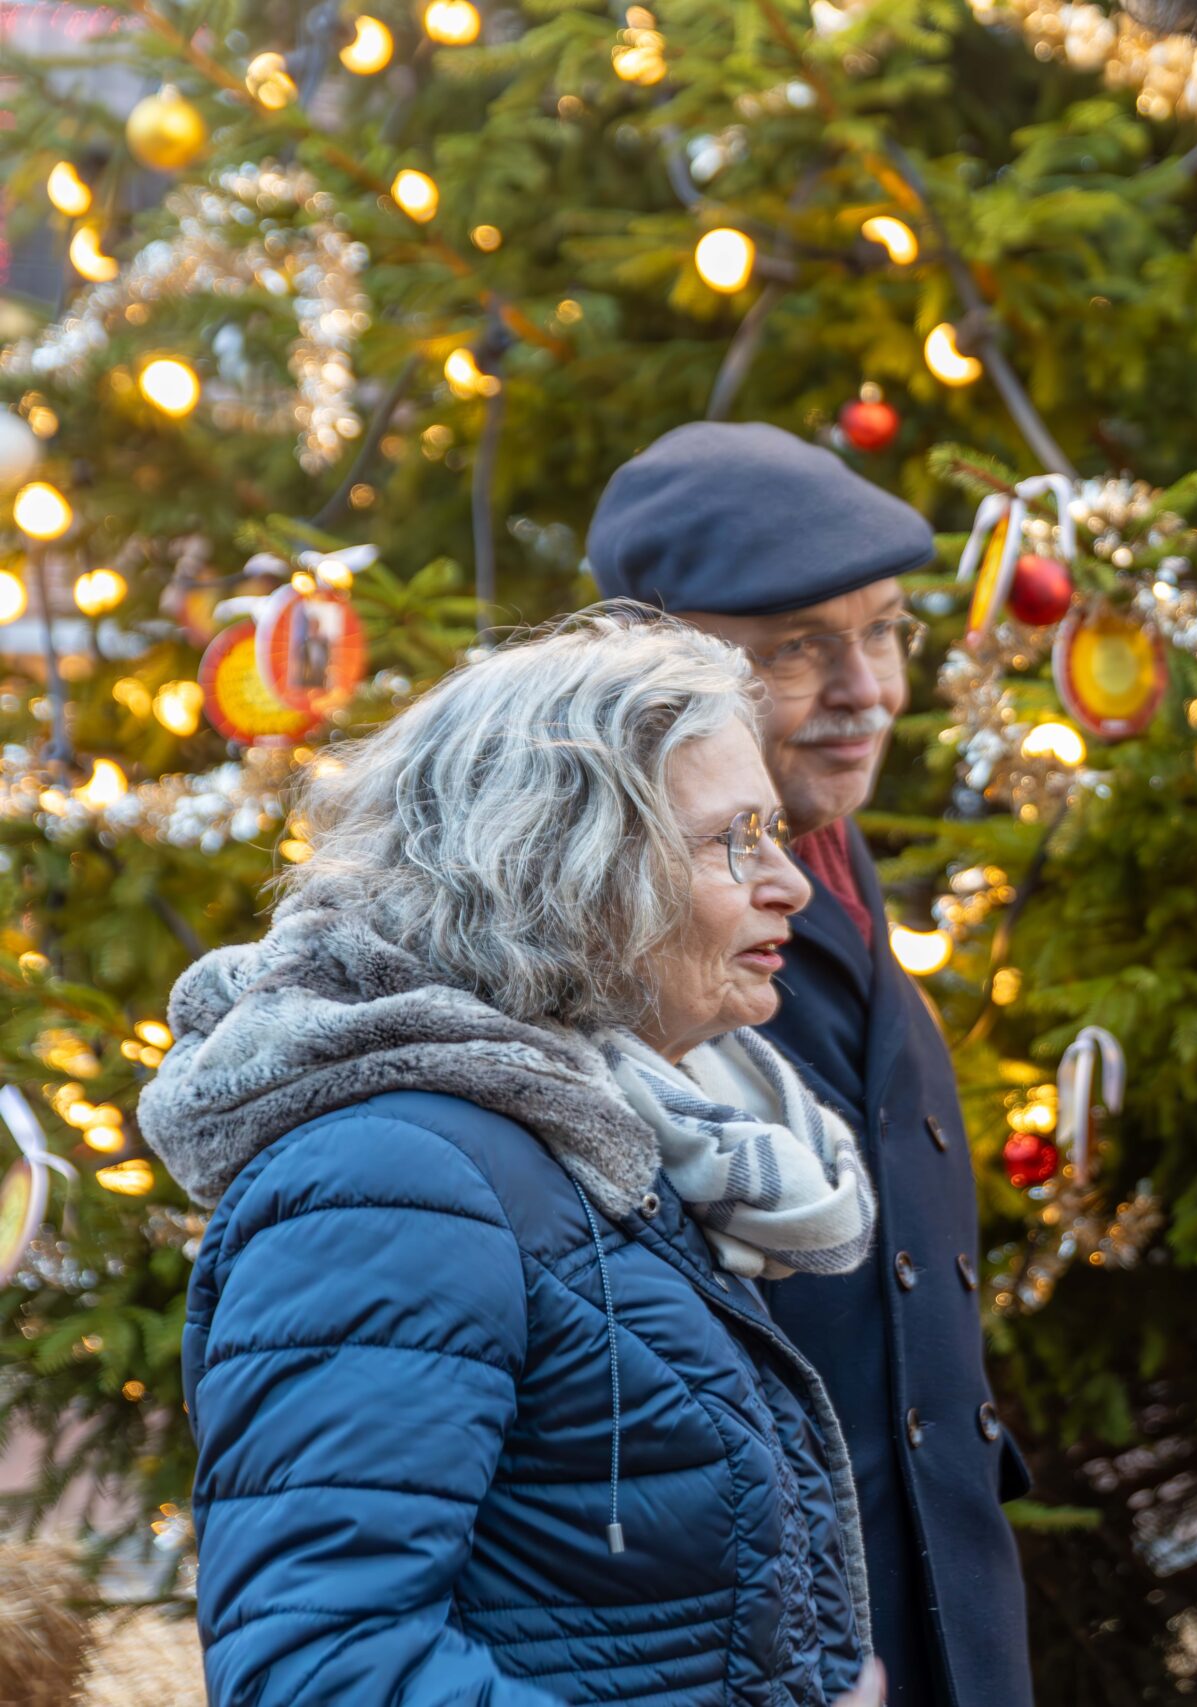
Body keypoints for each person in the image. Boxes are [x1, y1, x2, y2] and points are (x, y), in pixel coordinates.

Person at [140, 611, 889, 1707]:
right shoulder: (394, 1180)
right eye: (734, 840)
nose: (790, 884)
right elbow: (322, 1675)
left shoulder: (612, 1130)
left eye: (774, 832)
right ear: (570, 864)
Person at [587, 422, 1033, 1707]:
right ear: (654, 664)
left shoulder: (824, 849)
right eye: (795, 648)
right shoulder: (628, 927)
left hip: (917, 1600)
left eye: (884, 631)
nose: (868, 689)